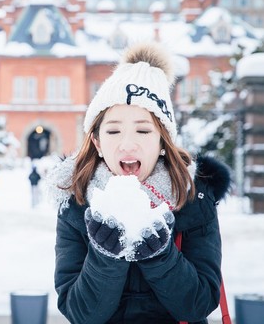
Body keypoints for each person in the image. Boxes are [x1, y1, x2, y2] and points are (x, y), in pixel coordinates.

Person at [46, 42, 231, 324]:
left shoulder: (195, 197)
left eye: (143, 130)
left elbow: (198, 305)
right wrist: (105, 255)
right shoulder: (75, 201)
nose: (128, 144)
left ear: (162, 141)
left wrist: (160, 256)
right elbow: (79, 313)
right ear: (96, 141)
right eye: (114, 130)